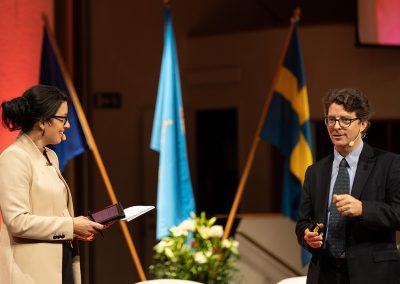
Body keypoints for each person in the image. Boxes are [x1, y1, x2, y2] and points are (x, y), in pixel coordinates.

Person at [0, 85, 104, 284]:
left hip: (60, 262)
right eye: (62, 119)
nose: (67, 125)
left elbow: (52, 212)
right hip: (31, 272)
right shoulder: (14, 157)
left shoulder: (50, 156)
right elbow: (17, 222)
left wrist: (79, 226)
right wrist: (71, 226)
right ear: (42, 122)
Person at [295, 88, 400, 283]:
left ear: (363, 124)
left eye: (345, 120)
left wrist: (364, 209)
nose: (336, 126)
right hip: (324, 273)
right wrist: (307, 235)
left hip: (371, 274)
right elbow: (303, 221)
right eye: (331, 119)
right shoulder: (315, 171)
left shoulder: (390, 164)